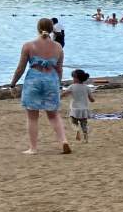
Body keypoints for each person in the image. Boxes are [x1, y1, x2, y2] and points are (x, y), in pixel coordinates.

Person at [8, 18, 70, 155]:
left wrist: (13, 83)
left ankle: (33, 148)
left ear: (38, 28)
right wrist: (57, 84)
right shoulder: (58, 47)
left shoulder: (28, 45)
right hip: (51, 80)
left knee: (32, 116)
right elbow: (59, 69)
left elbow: (20, 68)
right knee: (53, 115)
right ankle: (64, 141)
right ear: (52, 29)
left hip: (34, 80)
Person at [65, 69, 95, 142]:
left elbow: (64, 94)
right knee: (84, 124)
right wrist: (92, 100)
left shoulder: (71, 86)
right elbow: (91, 99)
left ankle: (77, 130)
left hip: (74, 109)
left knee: (73, 122)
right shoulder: (87, 87)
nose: (72, 79)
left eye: (73, 78)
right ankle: (86, 138)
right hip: (84, 109)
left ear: (76, 78)